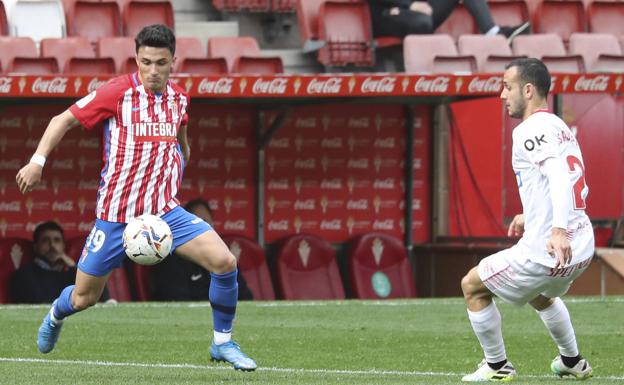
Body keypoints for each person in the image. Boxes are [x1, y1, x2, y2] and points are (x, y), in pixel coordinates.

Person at [15, 24, 256, 371]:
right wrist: (37, 162)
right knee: (84, 298)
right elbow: (62, 120)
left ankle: (223, 343)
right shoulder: (116, 93)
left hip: (165, 213)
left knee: (225, 263)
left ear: (174, 61)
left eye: (161, 63)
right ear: (136, 60)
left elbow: (181, 129)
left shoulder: (179, 97)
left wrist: (183, 151)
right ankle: (55, 315)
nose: (153, 71)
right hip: (117, 216)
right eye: (146, 63)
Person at [460, 58, 594, 382]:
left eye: (507, 87)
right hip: (582, 247)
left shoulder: (529, 129)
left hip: (550, 247)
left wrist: (557, 229)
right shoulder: (560, 126)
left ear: (528, 90)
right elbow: (564, 182)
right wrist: (530, 214)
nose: (502, 96)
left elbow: (560, 175)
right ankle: (572, 360)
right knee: (540, 294)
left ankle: (496, 365)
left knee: (472, 287)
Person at [152, 198, 254, 301]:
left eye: (205, 222)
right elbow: (178, 303)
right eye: (196, 222)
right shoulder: (173, 260)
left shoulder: (223, 256)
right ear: (184, 226)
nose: (201, 228)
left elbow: (245, 298)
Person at [11, 221, 109, 304]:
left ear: (63, 246)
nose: (52, 245)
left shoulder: (71, 273)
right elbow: (40, 302)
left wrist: (74, 267)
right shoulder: (24, 274)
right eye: (45, 240)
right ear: (35, 247)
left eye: (57, 240)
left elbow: (101, 298)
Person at [368, 0, 530, 43]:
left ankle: (492, 32)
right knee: (422, 22)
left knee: (423, 20)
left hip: (417, 11)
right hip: (384, 14)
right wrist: (408, 5)